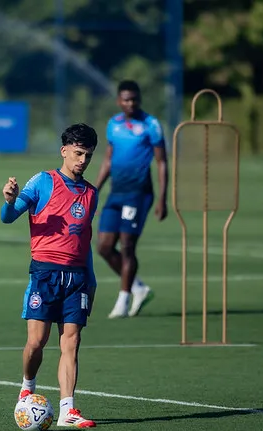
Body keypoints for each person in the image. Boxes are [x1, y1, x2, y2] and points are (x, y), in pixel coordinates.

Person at [1, 123, 99, 429]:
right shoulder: (43, 181)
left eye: (88, 155)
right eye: (79, 153)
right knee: (37, 341)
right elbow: (8, 217)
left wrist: (91, 281)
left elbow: (85, 241)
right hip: (45, 274)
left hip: (78, 277)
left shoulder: (91, 194)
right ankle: (27, 386)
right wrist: (9, 199)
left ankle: (68, 409)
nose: (83, 160)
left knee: (72, 342)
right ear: (65, 151)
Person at [94, 80, 168, 319]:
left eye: (134, 99)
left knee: (127, 246)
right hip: (116, 192)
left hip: (138, 194)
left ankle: (123, 300)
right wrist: (94, 189)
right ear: (119, 101)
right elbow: (107, 160)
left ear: (139, 100)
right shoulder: (113, 125)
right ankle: (138, 287)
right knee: (104, 247)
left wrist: (163, 198)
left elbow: (161, 162)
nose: (130, 103)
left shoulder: (151, 125)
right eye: (126, 99)